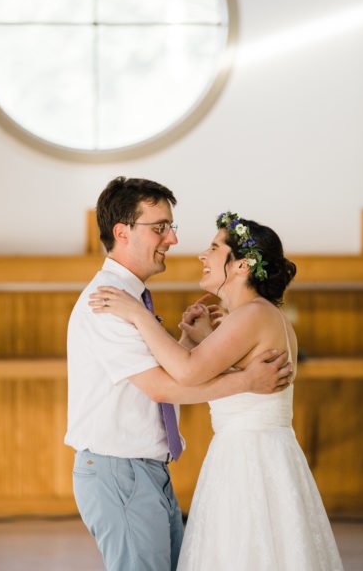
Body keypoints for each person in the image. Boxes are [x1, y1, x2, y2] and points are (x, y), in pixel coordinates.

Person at [90, 210, 344, 570]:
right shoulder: (264, 315)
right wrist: (203, 339)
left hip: (248, 461)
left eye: (213, 248)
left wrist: (138, 315)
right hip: (264, 454)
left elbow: (188, 372)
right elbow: (222, 374)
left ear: (241, 266)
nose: (202, 256)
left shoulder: (252, 315)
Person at [65, 177, 293, 571]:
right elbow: (160, 387)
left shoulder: (129, 298)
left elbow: (164, 372)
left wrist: (188, 344)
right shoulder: (108, 302)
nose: (171, 239)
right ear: (122, 232)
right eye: (159, 228)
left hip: (145, 470)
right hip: (121, 471)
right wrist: (246, 382)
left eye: (171, 227)